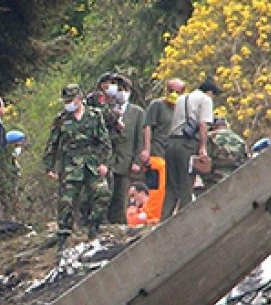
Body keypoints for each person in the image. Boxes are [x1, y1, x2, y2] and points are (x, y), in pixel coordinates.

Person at [43, 83, 112, 250]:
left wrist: (104, 163)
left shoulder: (95, 116)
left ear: (79, 99)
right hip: (70, 165)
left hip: (91, 163)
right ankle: (64, 235)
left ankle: (93, 226)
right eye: (66, 100)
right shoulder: (61, 120)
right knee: (66, 201)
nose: (68, 104)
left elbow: (105, 142)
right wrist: (49, 167)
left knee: (102, 193)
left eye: (71, 100)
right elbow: (52, 144)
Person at [162, 79, 219, 220]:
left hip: (171, 144)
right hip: (187, 146)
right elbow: (203, 125)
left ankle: (163, 222)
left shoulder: (182, 99)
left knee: (171, 188)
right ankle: (184, 223)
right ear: (210, 92)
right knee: (186, 187)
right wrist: (203, 148)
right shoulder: (205, 99)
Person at [143, 78, 184, 225]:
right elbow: (147, 126)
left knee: (171, 188)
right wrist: (146, 149)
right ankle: (150, 218)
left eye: (177, 92)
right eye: (171, 91)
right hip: (157, 151)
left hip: (172, 154)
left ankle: (163, 218)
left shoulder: (182, 109)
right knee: (157, 188)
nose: (174, 94)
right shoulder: (157, 105)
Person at [107, 74, 146, 225]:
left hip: (126, 159)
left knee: (122, 193)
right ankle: (105, 223)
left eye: (124, 89)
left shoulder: (137, 113)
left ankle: (120, 222)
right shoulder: (107, 110)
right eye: (118, 89)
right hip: (109, 159)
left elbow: (139, 139)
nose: (121, 92)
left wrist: (136, 160)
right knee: (106, 193)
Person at [200, 117, 247, 192]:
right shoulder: (239, 139)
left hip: (216, 181)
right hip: (237, 180)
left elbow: (203, 161)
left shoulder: (209, 137)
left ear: (214, 126)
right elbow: (246, 159)